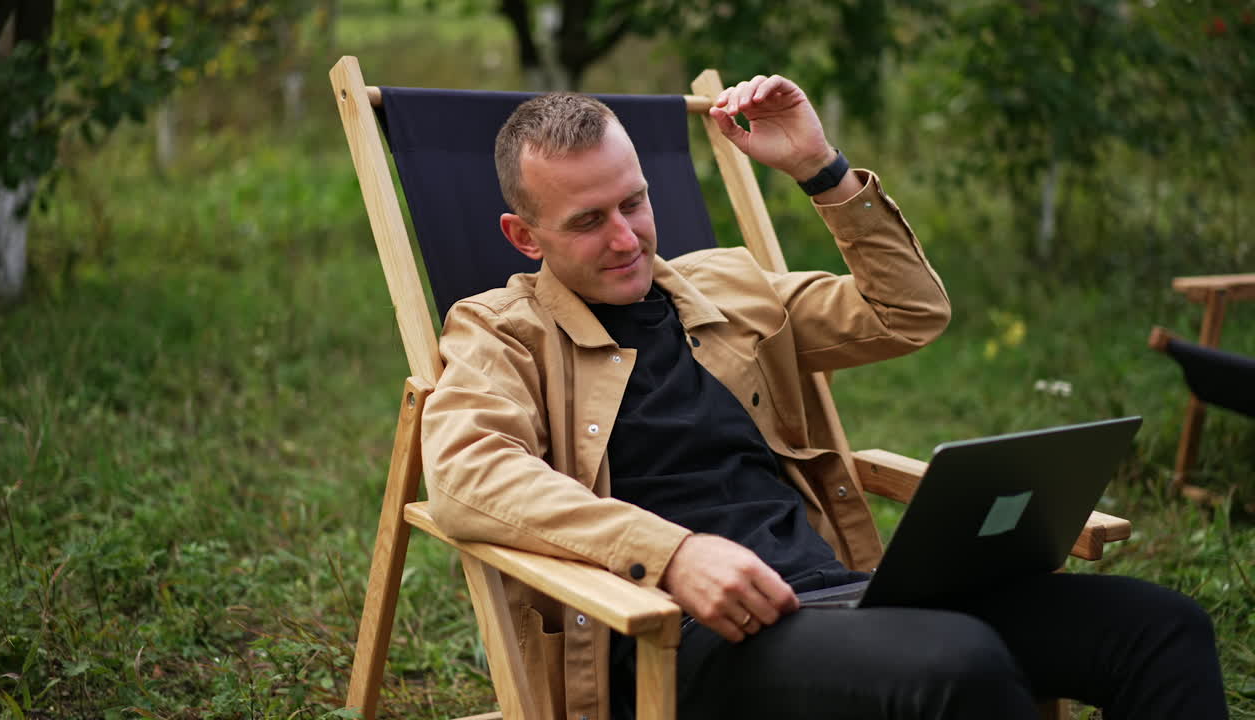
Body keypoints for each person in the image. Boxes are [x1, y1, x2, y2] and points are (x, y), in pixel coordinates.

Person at [421, 74, 1227, 720]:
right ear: (525, 237)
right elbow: (466, 475)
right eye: (588, 221)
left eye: (634, 202)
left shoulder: (726, 287)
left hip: (839, 599)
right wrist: (672, 554)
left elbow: (907, 313)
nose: (627, 237)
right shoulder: (500, 332)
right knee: (959, 665)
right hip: (686, 638)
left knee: (1160, 629)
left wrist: (822, 170)